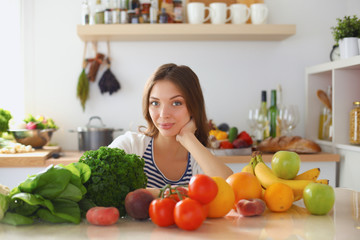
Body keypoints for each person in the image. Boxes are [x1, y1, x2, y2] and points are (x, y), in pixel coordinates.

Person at [108, 63, 233, 193]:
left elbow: (230, 188)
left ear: (193, 107)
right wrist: (176, 193)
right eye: (155, 103)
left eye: (176, 103)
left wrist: (189, 138)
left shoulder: (198, 157)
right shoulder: (131, 146)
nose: (163, 114)